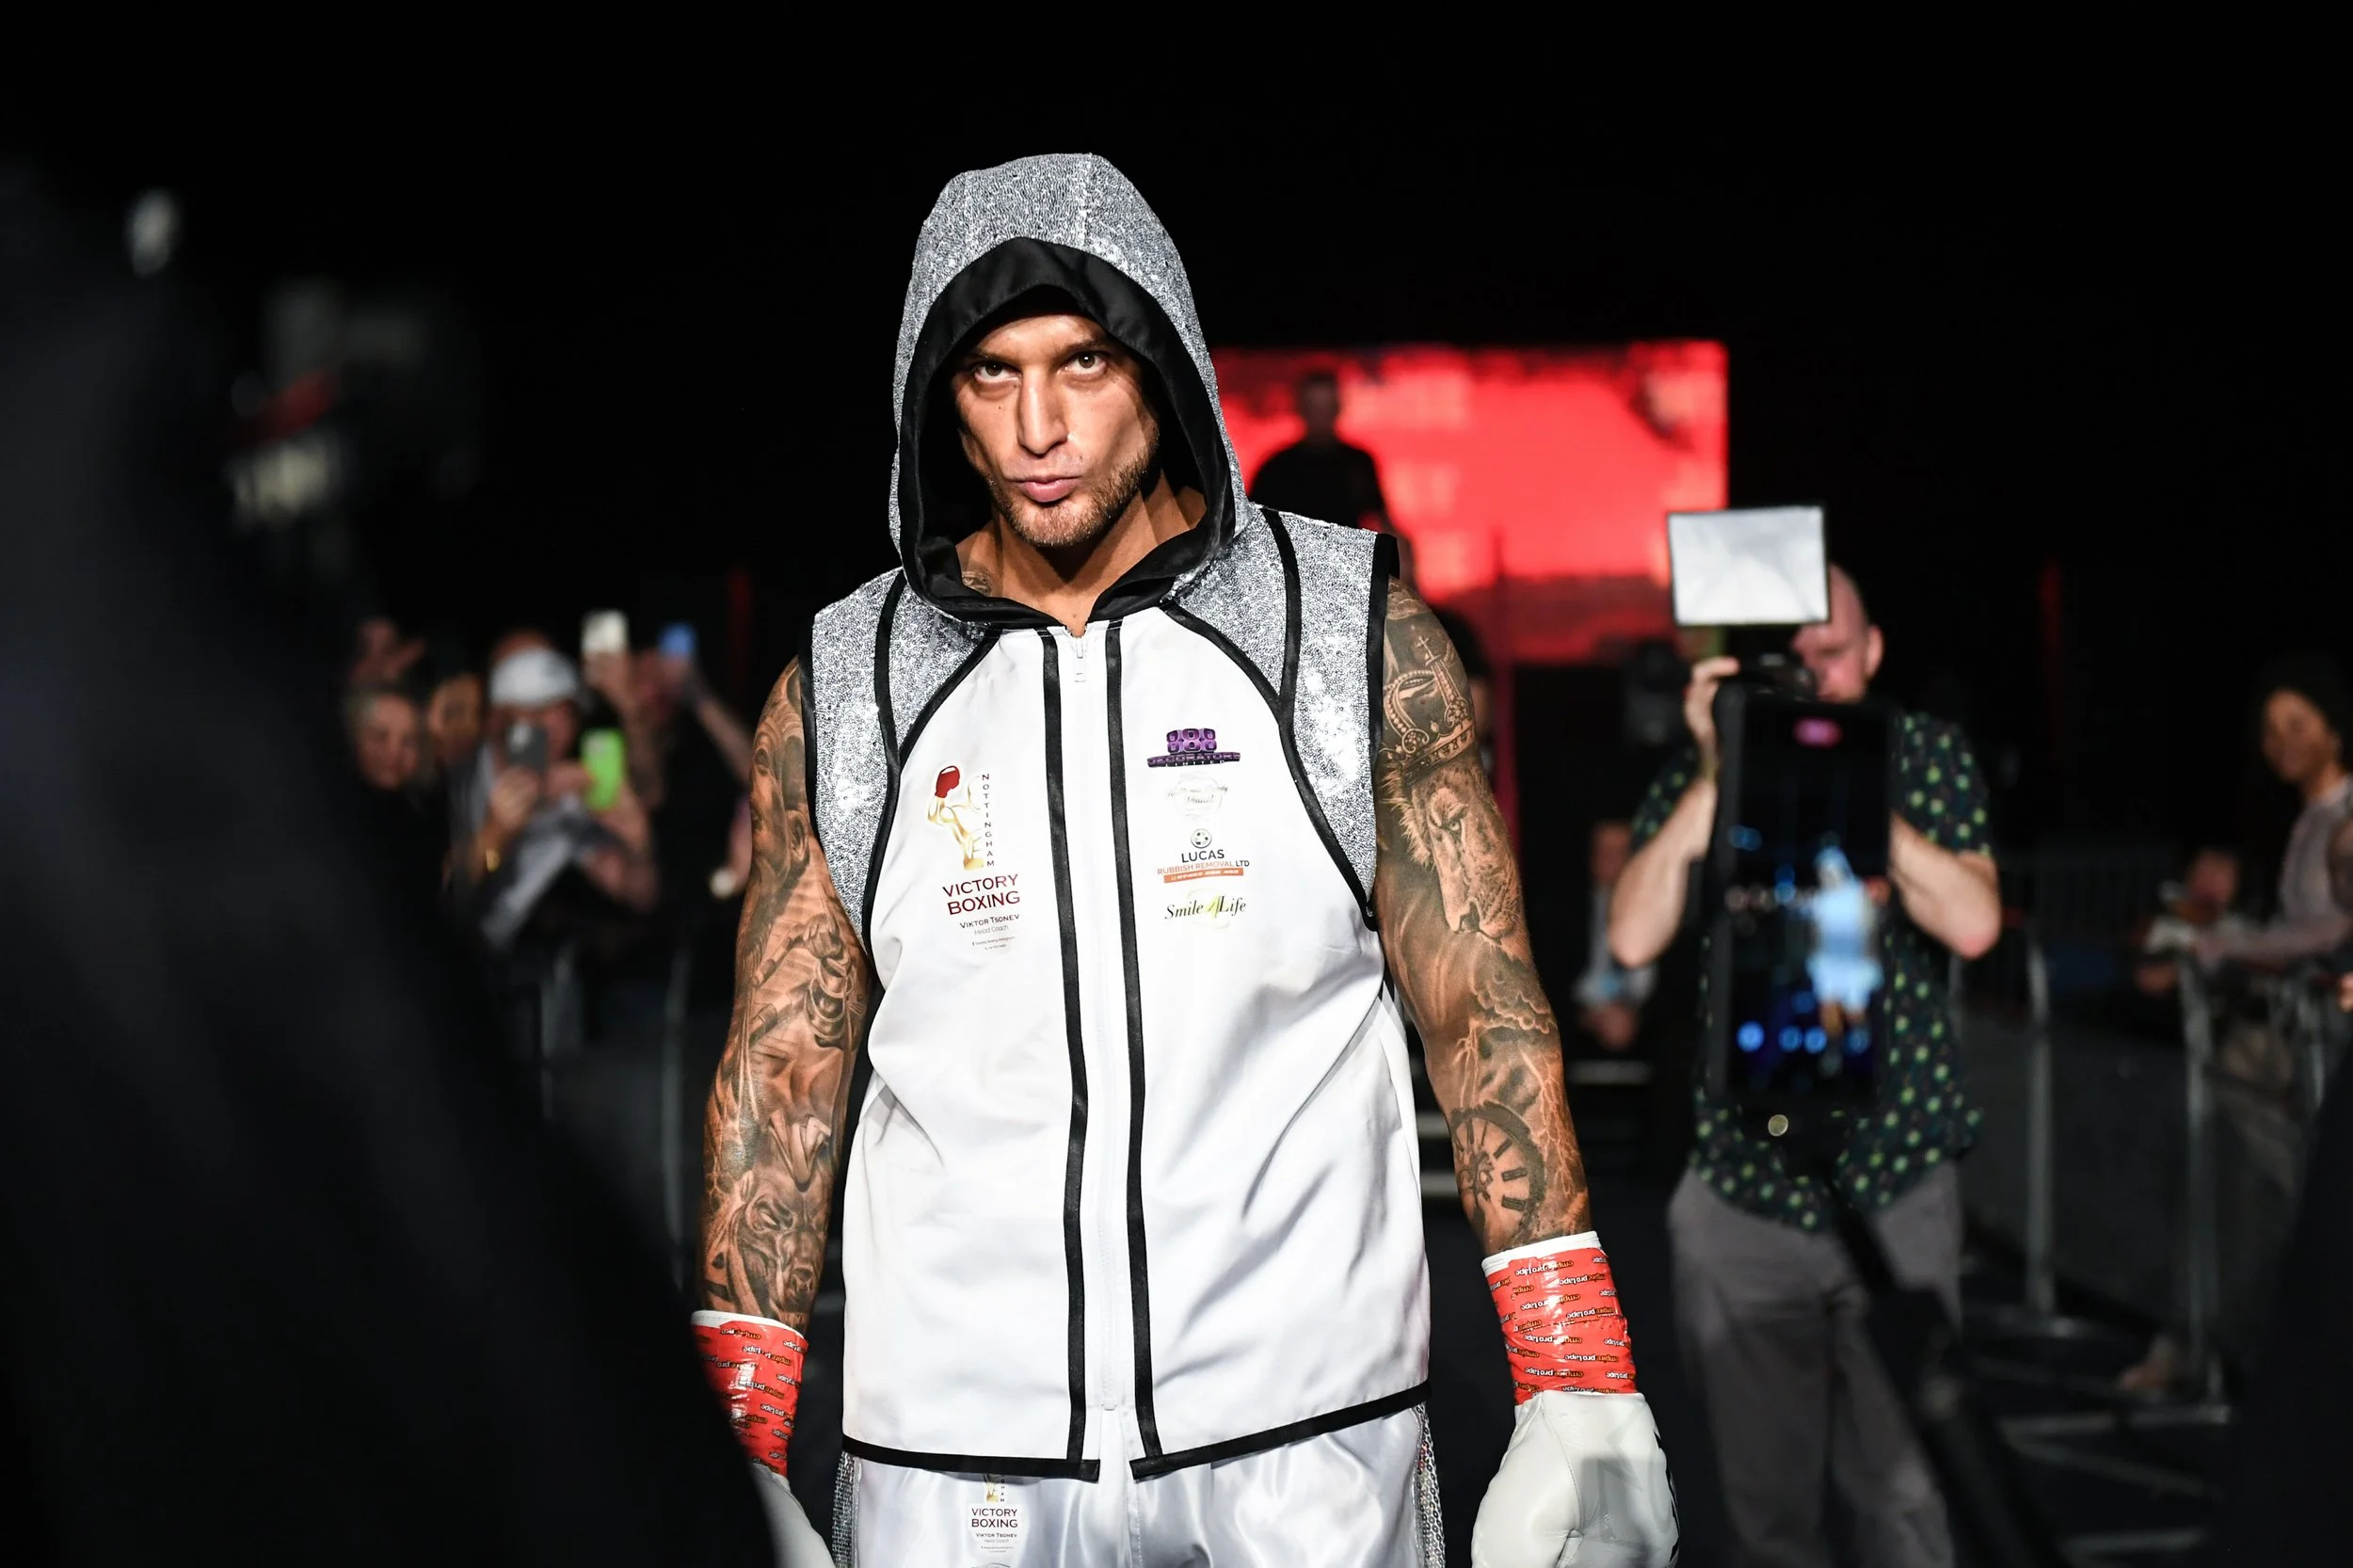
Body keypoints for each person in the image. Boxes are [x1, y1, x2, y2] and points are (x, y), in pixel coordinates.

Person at [692, 154, 1676, 1567]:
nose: (1039, 425)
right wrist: (740, 1419)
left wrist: (1573, 1366)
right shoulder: (851, 682)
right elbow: (788, 1061)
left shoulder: (1345, 634)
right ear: (936, 396)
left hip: (1299, 1430)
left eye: (1083, 360)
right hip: (956, 1445)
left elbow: (1483, 1004)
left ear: (1159, 357)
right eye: (990, 374)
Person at [1609, 564, 1999, 1568]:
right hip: (1743, 1197)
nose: (1816, 671)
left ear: (1871, 654)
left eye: (1836, 650)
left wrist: (1856, 783)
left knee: (1903, 1503)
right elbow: (1633, 935)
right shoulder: (1707, 771)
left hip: (1895, 1182)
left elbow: (1974, 920)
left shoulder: (1923, 758)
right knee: (1766, 1516)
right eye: (1797, 653)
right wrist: (1715, 767)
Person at [2196, 659, 2353, 968]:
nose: (2281, 742)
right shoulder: (2304, 816)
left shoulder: (2346, 817)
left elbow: (2338, 930)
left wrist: (2228, 945)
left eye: (2297, 726)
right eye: (2270, 729)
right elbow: (2293, 921)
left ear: (2334, 734)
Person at [1247, 366, 1391, 532]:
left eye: (1325, 407)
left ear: (1337, 408)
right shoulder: (1276, 468)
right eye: (1314, 408)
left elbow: (1381, 519)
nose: (1320, 416)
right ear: (1301, 409)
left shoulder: (1359, 463)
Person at [1572, 821, 1654, 1051]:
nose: (1613, 861)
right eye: (1605, 852)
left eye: (1621, 852)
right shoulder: (1567, 915)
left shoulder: (1660, 910)